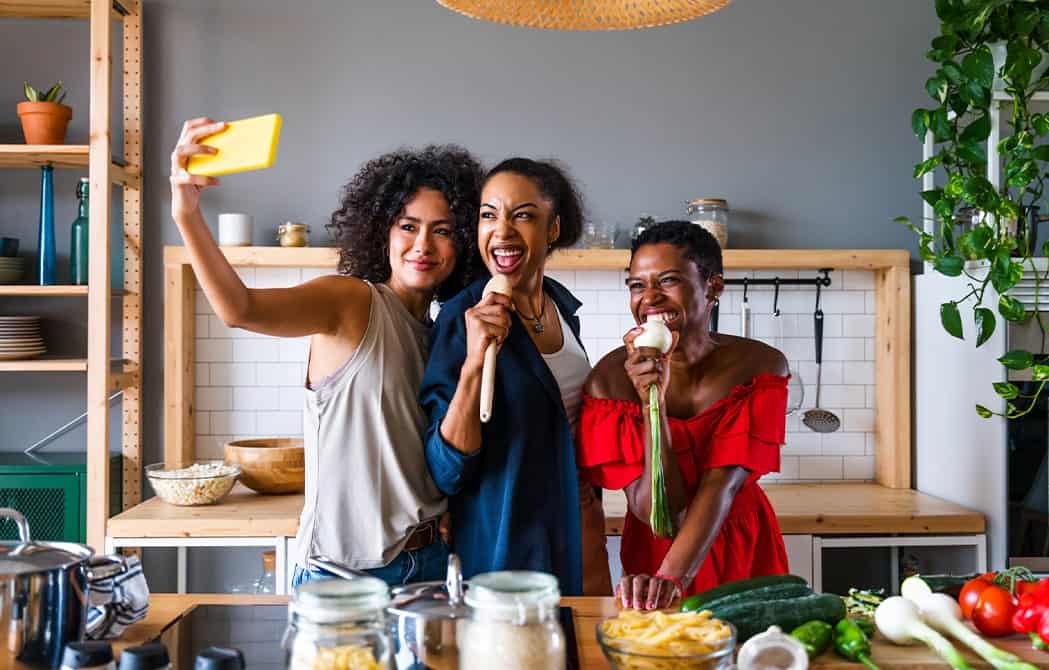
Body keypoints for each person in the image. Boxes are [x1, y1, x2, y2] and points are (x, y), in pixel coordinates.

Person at [169, 117, 483, 587]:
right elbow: (241, 309)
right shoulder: (351, 302)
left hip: (430, 566)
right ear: (383, 232)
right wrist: (187, 214)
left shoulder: (443, 335)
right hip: (342, 578)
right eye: (408, 226)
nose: (422, 245)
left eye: (442, 231)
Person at [419, 158, 611, 596]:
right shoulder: (462, 317)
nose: (502, 230)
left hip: (577, 534)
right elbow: (446, 469)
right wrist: (473, 363)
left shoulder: (564, 310)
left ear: (554, 228)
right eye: (489, 215)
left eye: (522, 215)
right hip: (508, 551)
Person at [578, 220, 790, 610]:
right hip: (654, 551)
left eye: (668, 280)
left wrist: (672, 578)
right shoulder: (610, 381)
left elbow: (721, 487)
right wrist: (651, 404)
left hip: (740, 543)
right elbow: (658, 512)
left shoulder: (760, 367)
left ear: (714, 286)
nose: (650, 298)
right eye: (637, 285)